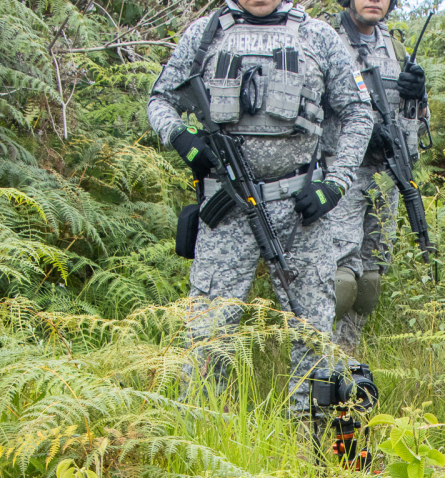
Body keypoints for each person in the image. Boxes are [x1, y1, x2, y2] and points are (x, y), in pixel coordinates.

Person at [148, 0, 374, 422]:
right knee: (209, 330)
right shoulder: (206, 33)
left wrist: (336, 182)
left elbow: (359, 112)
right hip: (227, 209)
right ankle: (204, 438)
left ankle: (311, 435)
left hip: (301, 209)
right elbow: (160, 99)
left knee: (311, 328)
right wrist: (180, 137)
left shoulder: (318, 36)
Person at [327, 0, 429, 352]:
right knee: (339, 276)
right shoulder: (326, 39)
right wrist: (362, 131)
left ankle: (348, 354)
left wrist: (417, 97)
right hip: (340, 173)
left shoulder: (395, 47)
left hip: (386, 174)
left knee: (370, 277)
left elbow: (416, 121)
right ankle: (319, 360)